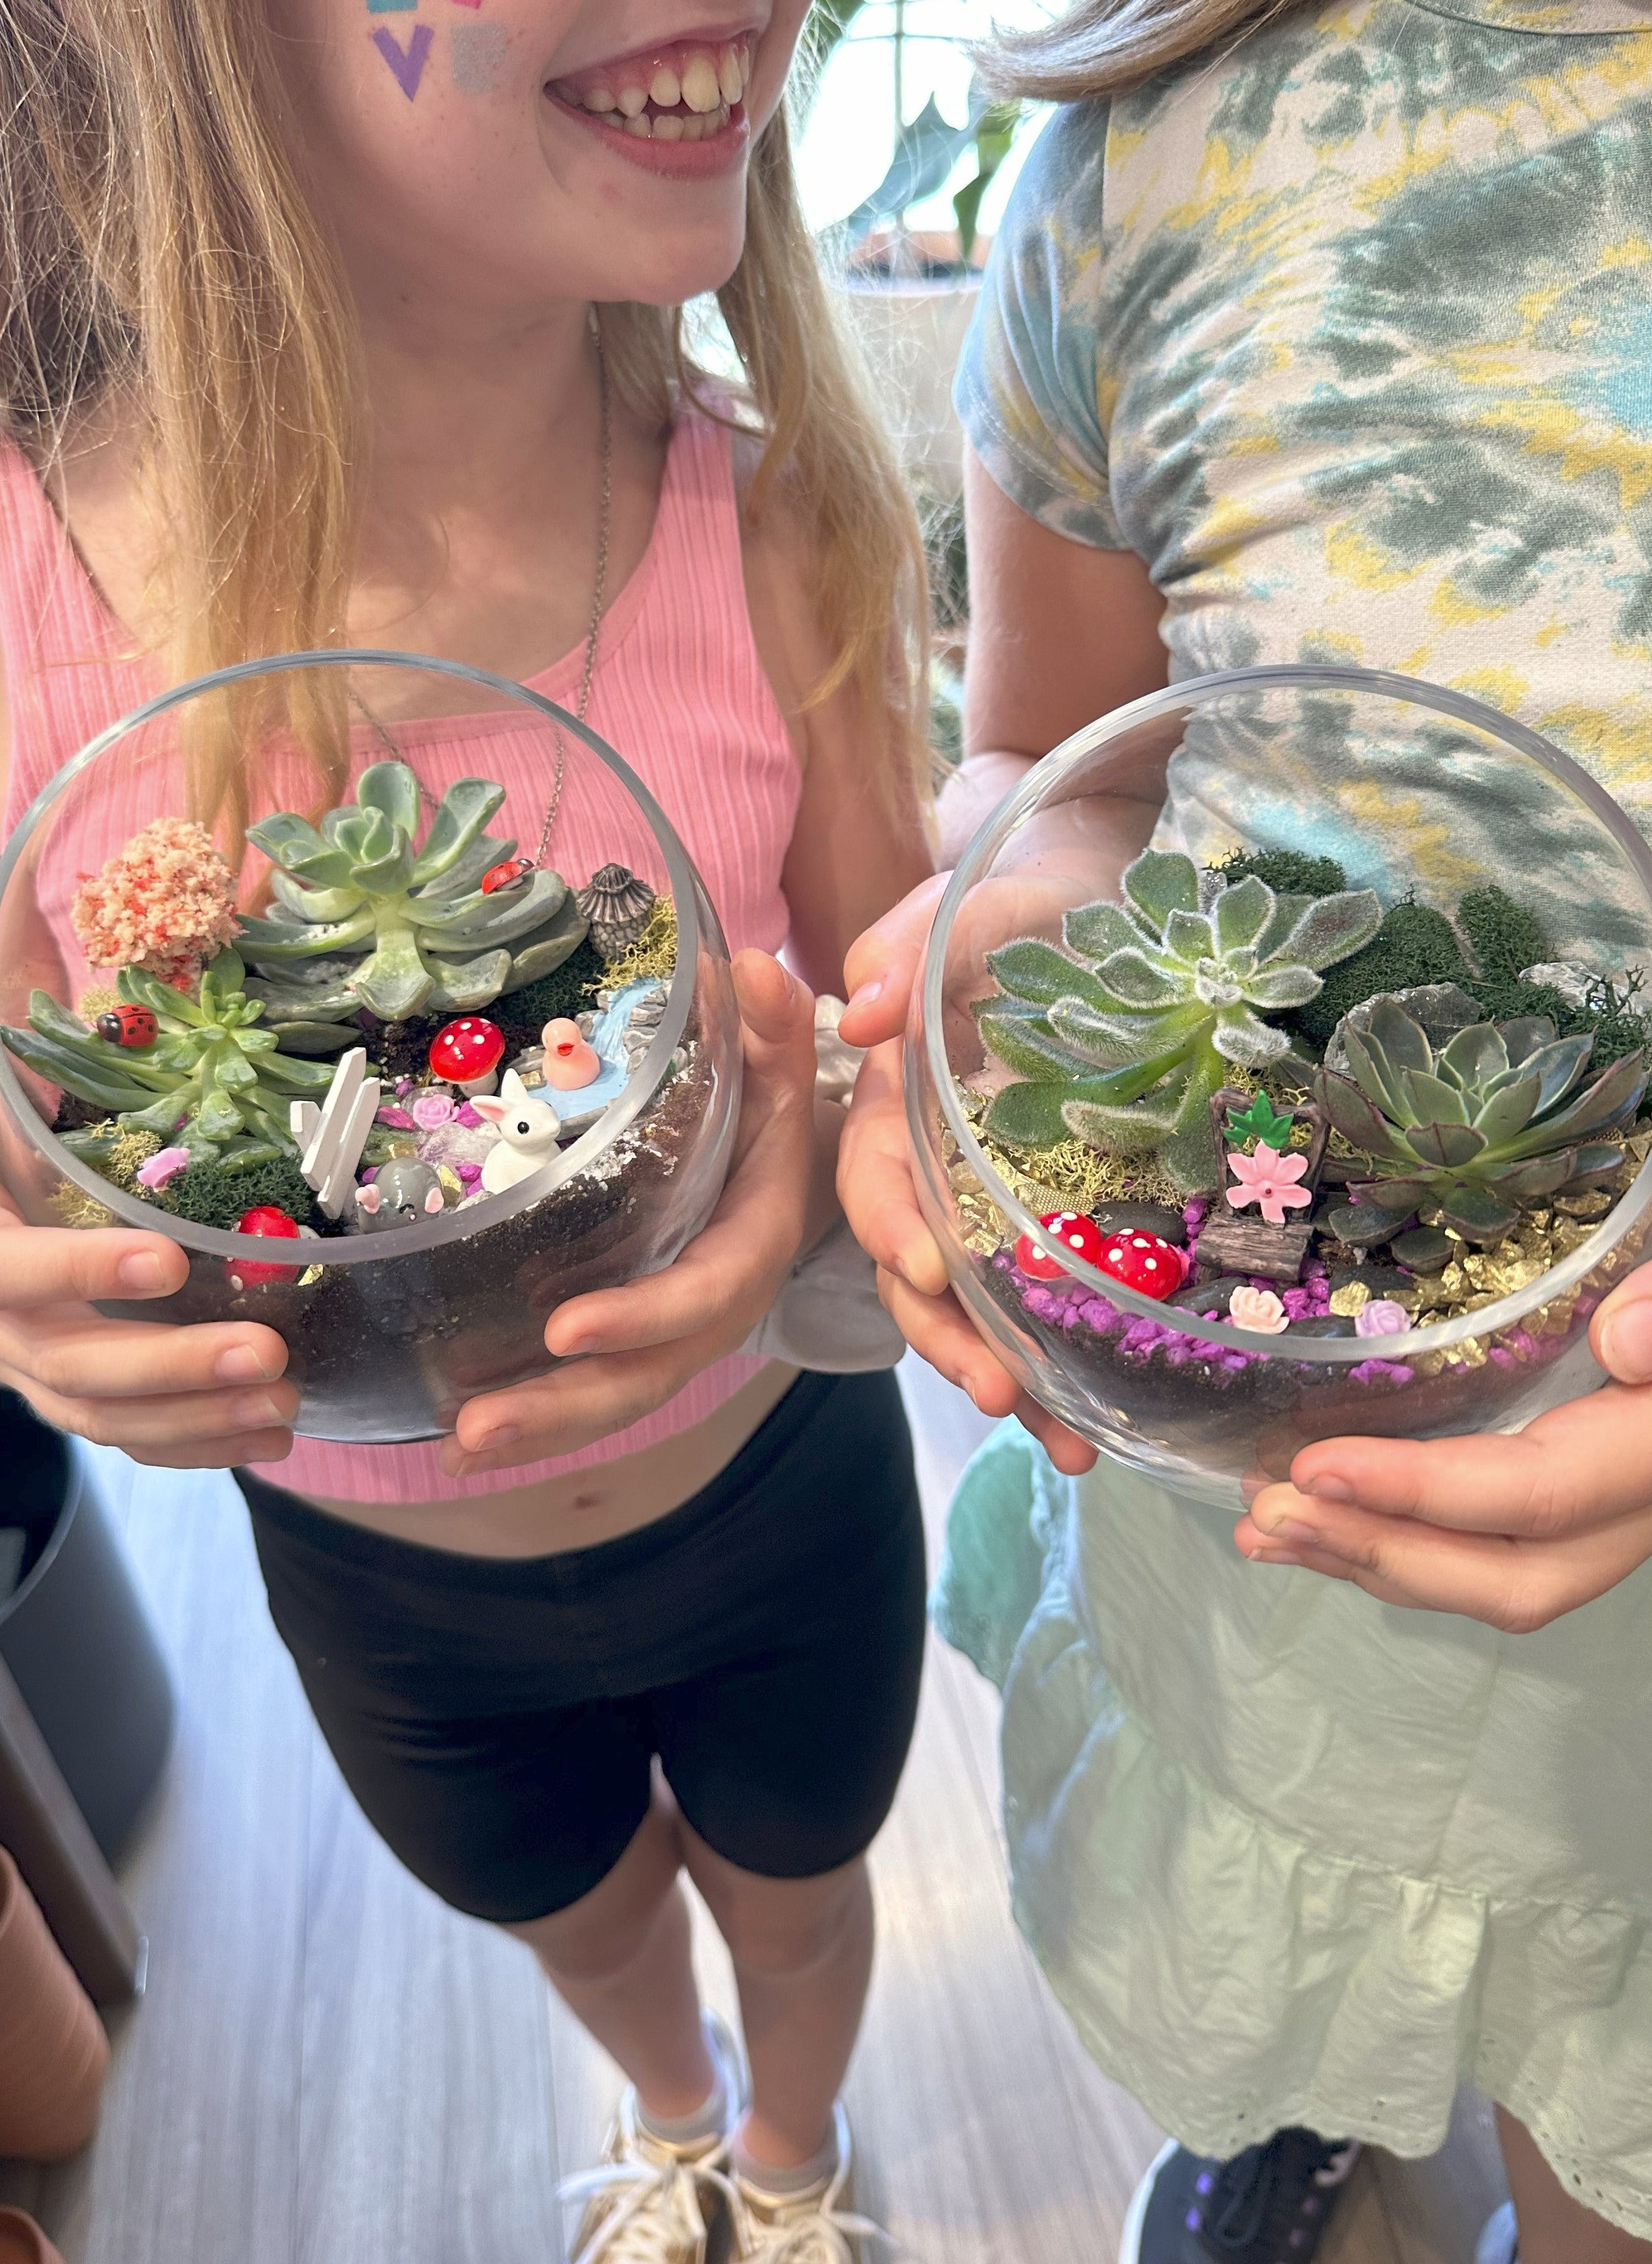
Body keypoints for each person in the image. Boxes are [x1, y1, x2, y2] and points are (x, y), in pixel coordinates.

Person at [0, 6, 934, 2260]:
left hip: (775, 1487)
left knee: (801, 1901)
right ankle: (678, 2117)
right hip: (377, 1575)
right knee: (583, 1920)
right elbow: (36, 1130)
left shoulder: (779, 512)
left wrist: (807, 1153)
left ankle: (793, 2165)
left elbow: (907, 1045)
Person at [837, 1, 1652, 2259]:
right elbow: (1070, 770)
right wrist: (991, 952)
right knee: (1313, 1930)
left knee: (1628, 2094)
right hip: (1253, 1435)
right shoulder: (1142, 153)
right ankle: (1325, 2094)